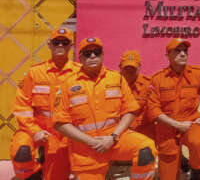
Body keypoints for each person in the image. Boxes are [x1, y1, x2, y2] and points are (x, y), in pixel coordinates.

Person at [53, 37, 157, 180]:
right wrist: (91, 142)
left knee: (146, 148)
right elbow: (60, 123)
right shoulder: (67, 84)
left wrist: (113, 137)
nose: (93, 56)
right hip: (85, 147)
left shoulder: (116, 79)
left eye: (96, 52)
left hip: (114, 139)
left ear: (102, 55)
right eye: (87, 53)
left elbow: (131, 110)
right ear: (80, 58)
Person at [10, 28, 79, 180]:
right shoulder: (35, 73)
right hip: (36, 127)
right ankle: (34, 175)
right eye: (56, 42)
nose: (60, 45)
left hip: (63, 132)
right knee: (21, 150)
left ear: (71, 46)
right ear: (49, 45)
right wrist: (35, 131)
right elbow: (22, 106)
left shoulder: (79, 73)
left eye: (64, 42)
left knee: (55, 176)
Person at [147, 38, 200, 180]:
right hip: (167, 128)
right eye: (177, 51)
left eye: (185, 51)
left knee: (198, 142)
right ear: (168, 55)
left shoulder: (198, 73)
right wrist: (177, 125)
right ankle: (180, 161)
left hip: (191, 123)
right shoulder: (157, 79)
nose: (183, 54)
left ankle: (195, 176)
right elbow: (153, 111)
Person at [119, 50, 154, 139]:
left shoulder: (149, 85)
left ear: (139, 67)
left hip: (143, 130)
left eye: (133, 67)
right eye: (127, 67)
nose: (130, 70)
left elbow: (152, 111)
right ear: (120, 67)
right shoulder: (111, 84)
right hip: (118, 130)